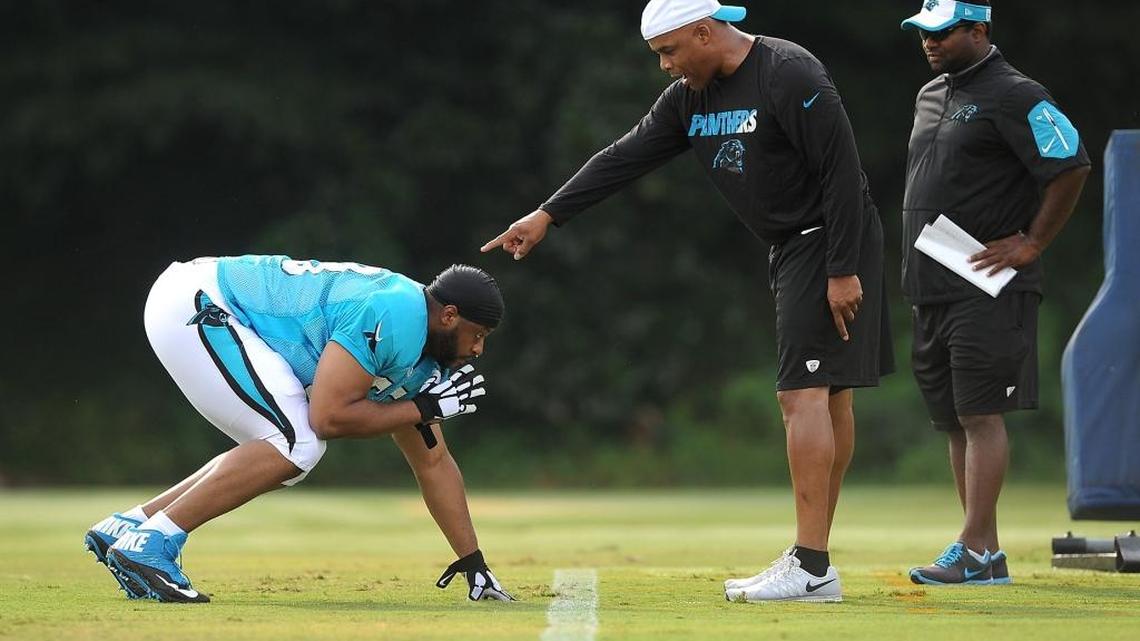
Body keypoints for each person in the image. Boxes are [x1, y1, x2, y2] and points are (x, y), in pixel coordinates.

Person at [481, 0, 892, 603]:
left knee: (803, 393)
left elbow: (841, 169)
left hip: (827, 238)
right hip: (791, 248)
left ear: (705, 32)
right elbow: (623, 156)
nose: (666, 66)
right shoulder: (689, 99)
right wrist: (548, 215)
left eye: (670, 52)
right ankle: (813, 557)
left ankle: (810, 565)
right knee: (828, 397)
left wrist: (843, 269)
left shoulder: (789, 72)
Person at [84, 255, 514, 603]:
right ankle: (152, 543)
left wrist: (472, 560)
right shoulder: (398, 314)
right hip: (203, 301)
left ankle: (130, 526)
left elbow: (433, 461)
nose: (479, 349)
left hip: (196, 297)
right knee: (296, 445)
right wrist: (421, 406)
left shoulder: (421, 352)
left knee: (285, 442)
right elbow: (327, 417)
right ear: (449, 315)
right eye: (477, 334)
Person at [898, 0, 1090, 585]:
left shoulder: (1016, 93)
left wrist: (1033, 241)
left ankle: (975, 551)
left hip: (988, 285)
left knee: (981, 414)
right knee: (955, 420)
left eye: (944, 32)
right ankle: (986, 550)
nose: (930, 42)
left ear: (979, 30)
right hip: (932, 285)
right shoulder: (931, 94)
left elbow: (1070, 163)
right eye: (923, 32)